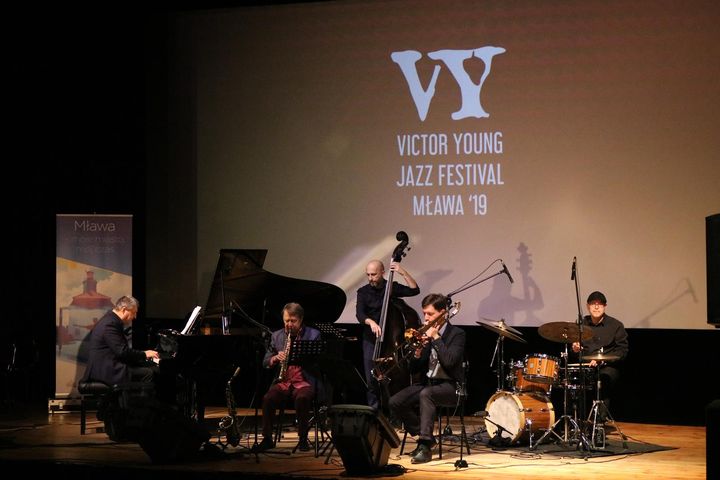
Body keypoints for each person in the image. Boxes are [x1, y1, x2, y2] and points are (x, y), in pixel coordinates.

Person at [388, 293, 466, 464]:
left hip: (451, 386)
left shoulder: (457, 334)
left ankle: (424, 446)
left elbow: (450, 362)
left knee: (426, 394)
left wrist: (436, 339)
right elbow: (413, 370)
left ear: (442, 313)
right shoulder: (426, 335)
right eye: (424, 313)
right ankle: (428, 439)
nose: (425, 318)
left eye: (430, 314)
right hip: (428, 384)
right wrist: (417, 354)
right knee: (395, 402)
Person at [254, 302, 321, 452]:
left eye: (293, 321)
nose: (289, 324)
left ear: (301, 319)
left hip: (304, 381)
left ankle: (303, 438)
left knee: (302, 398)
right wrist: (275, 358)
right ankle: (267, 438)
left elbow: (318, 361)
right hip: (283, 381)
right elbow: (265, 362)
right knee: (268, 399)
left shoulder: (313, 335)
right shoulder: (277, 335)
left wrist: (298, 354)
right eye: (286, 321)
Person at [356, 259, 420, 409]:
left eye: (374, 274)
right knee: (371, 378)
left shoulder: (391, 287)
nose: (370, 278)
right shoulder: (363, 292)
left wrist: (402, 272)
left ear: (383, 273)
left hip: (391, 340)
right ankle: (374, 410)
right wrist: (371, 322)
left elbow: (414, 290)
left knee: (394, 375)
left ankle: (394, 409)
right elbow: (360, 314)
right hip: (371, 339)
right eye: (368, 275)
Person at [571, 291, 629, 424]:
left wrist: (602, 360)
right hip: (586, 365)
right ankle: (577, 420)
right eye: (593, 304)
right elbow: (575, 352)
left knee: (603, 379)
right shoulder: (581, 324)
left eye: (600, 304)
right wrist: (575, 349)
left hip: (607, 366)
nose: (596, 307)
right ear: (588, 306)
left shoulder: (615, 325)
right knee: (570, 380)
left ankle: (599, 422)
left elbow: (622, 351)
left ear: (605, 306)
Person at [82, 295, 159, 386]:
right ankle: (132, 396)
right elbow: (122, 352)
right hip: (106, 370)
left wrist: (141, 357)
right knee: (148, 373)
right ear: (124, 310)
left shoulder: (111, 320)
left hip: (107, 365)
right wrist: (145, 354)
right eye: (133, 313)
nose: (135, 317)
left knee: (145, 367)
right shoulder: (110, 324)